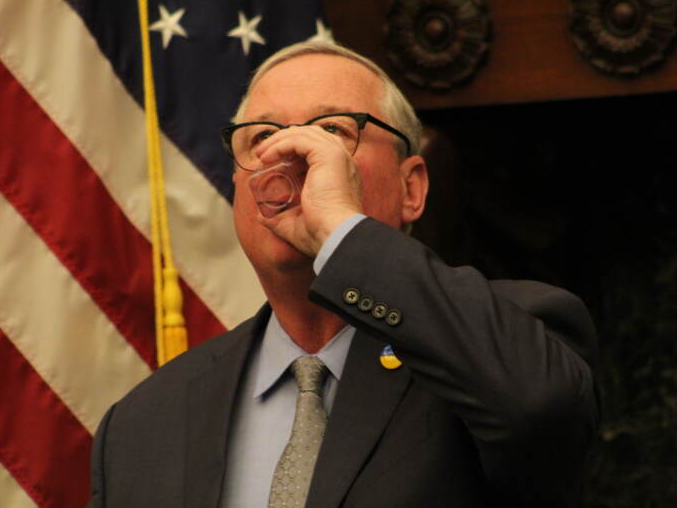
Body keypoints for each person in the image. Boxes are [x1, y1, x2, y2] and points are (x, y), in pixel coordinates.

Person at [88, 42, 598, 507]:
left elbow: (540, 412)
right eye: (263, 137)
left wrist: (342, 232)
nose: (288, 157)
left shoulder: (510, 332)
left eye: (331, 130)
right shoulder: (141, 423)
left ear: (412, 189)